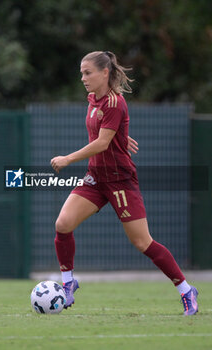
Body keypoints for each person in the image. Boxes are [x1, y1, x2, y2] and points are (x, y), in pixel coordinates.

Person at [51, 51, 198, 316]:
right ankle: (68, 281)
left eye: (88, 72)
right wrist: (121, 137)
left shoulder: (115, 102)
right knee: (62, 224)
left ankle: (186, 290)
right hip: (96, 178)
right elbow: (105, 135)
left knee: (143, 243)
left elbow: (102, 142)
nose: (82, 78)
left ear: (104, 73)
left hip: (120, 180)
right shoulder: (92, 100)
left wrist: (68, 158)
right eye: (81, 73)